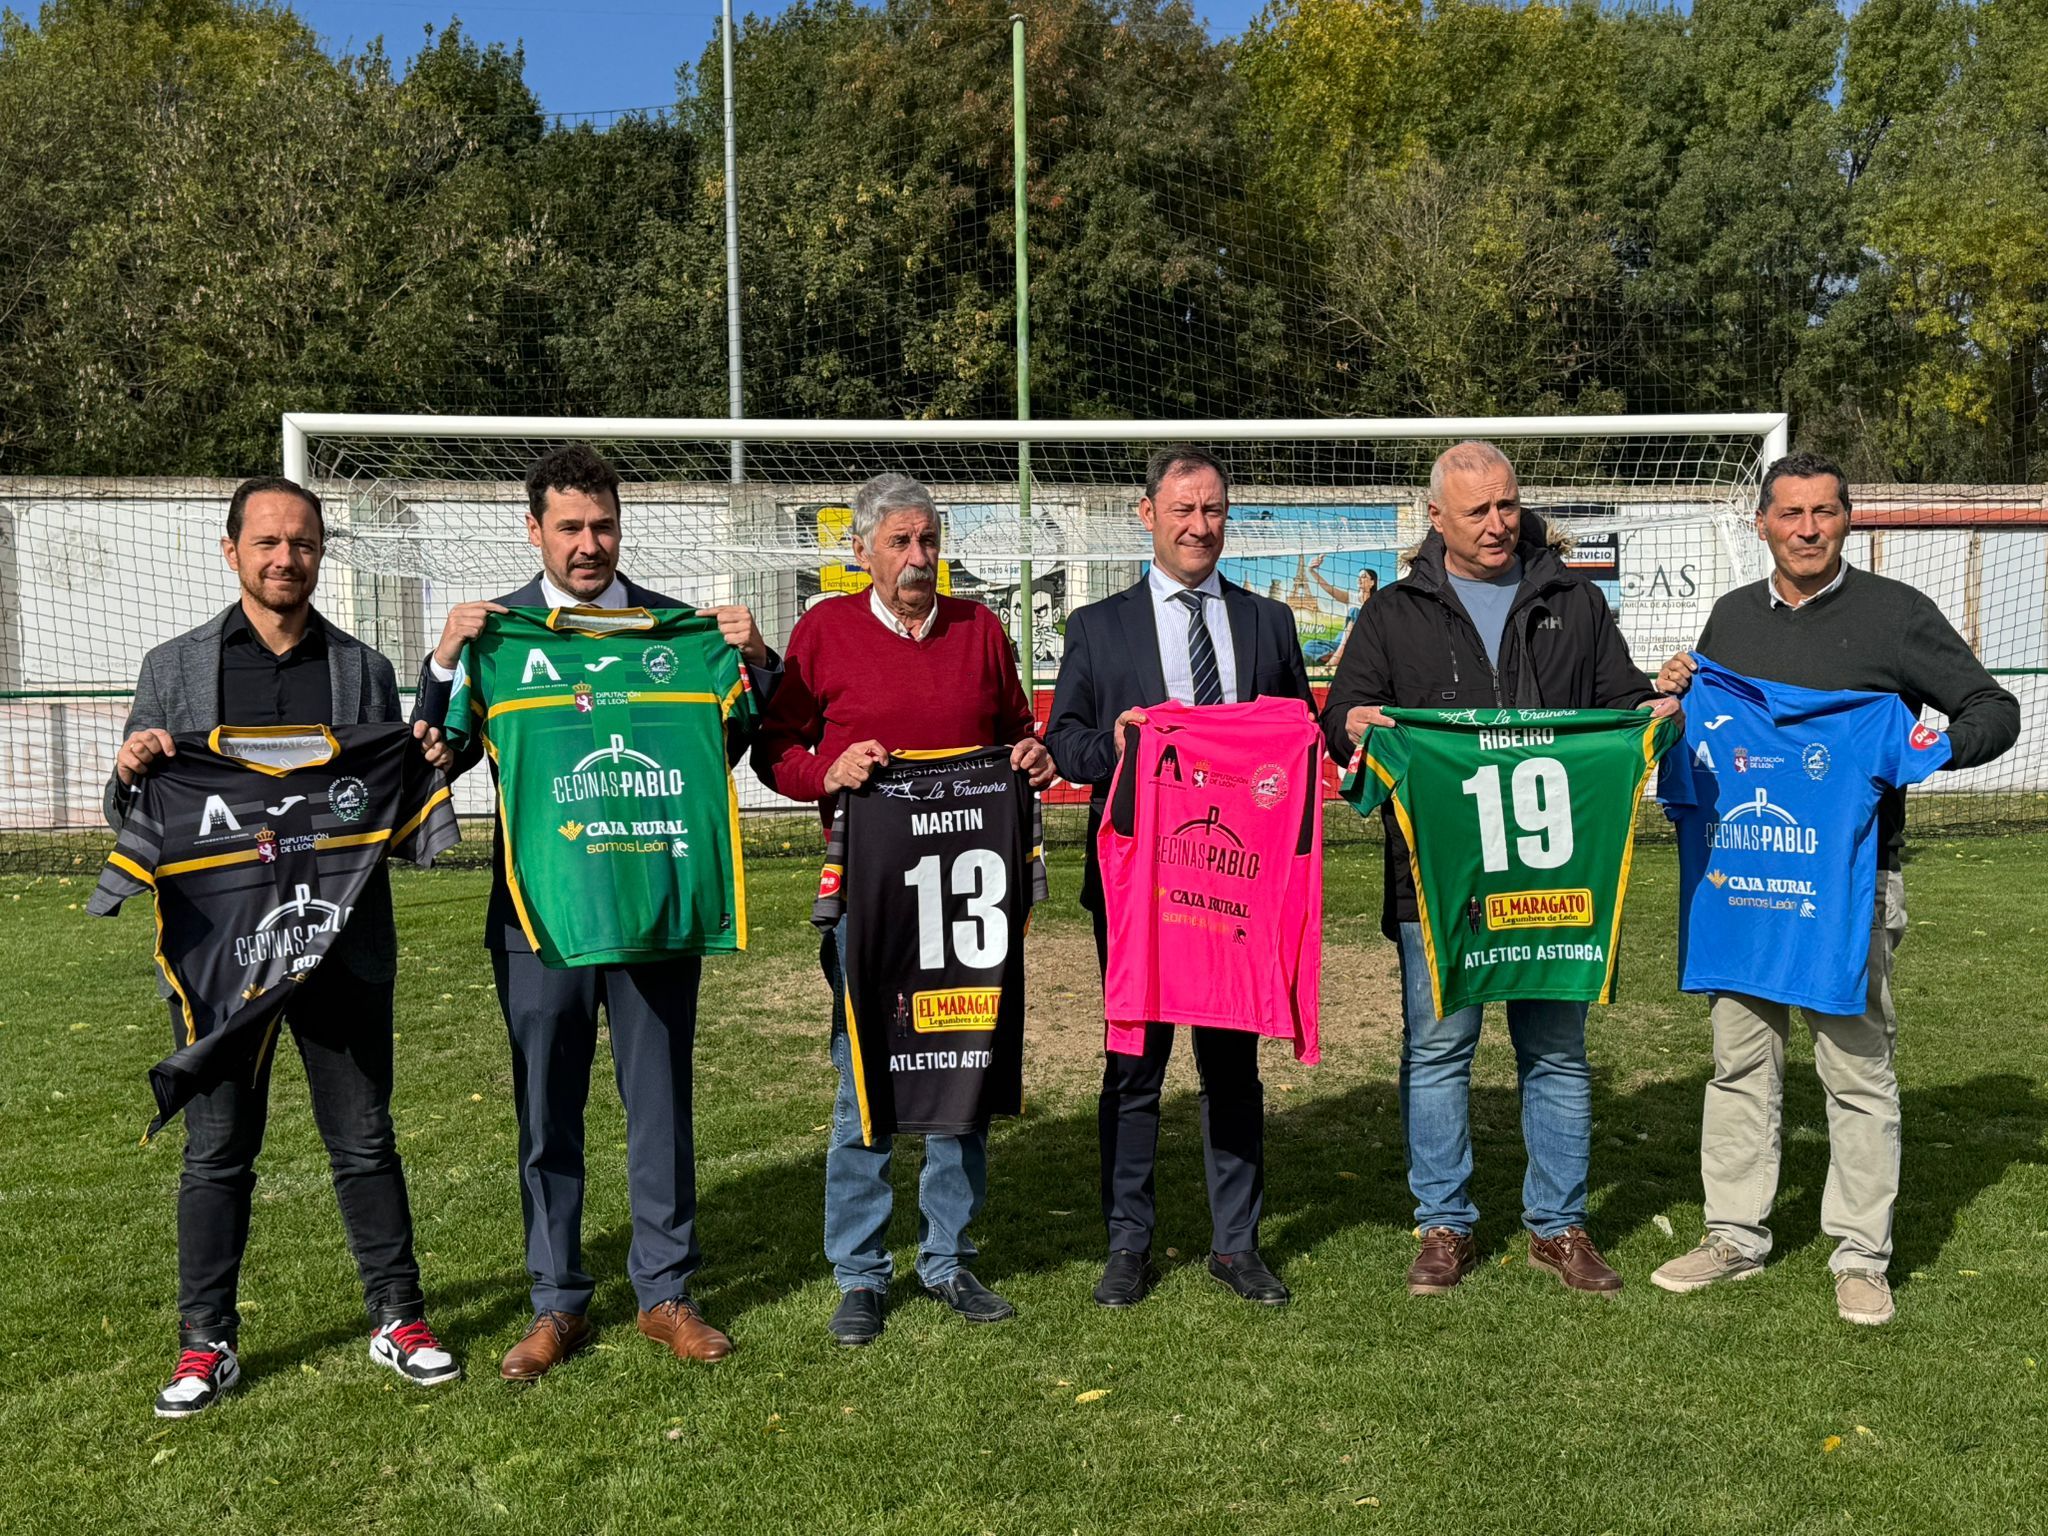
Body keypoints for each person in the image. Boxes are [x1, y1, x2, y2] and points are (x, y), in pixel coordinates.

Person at [411, 443, 779, 1380]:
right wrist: (443, 659)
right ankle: (555, 1302)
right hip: (538, 919)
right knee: (548, 1111)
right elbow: (434, 759)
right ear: (533, 530)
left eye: (603, 525)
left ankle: (665, 1293)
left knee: (660, 1103)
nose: (589, 543)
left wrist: (757, 660)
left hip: (654, 907)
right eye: (570, 527)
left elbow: (739, 742)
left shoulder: (678, 632)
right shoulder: (497, 637)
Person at [108, 476, 458, 1417]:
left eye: (301, 543)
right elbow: (132, 811)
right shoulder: (174, 666)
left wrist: (427, 760)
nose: (284, 559)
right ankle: (203, 1344)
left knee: (365, 1138)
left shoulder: (362, 669)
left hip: (339, 942)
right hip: (223, 957)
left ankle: (401, 1318)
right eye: (266, 542)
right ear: (232, 552)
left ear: (318, 554)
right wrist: (132, 769)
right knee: (217, 1151)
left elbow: (393, 810)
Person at [1648, 450, 2020, 1325]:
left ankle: (1861, 1254)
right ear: (1763, 524)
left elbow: (1992, 709)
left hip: (1853, 887)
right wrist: (1672, 691)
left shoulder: (1898, 616)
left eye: (1823, 512)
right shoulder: (1730, 620)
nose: (1807, 528)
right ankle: (1734, 1235)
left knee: (1856, 1069)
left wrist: (1925, 752)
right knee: (1740, 1063)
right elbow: (1703, 739)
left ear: (1849, 519)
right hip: (1741, 885)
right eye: (1790, 514)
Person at [1319, 439, 1676, 1299]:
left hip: (1555, 878)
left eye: (1508, 504)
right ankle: (1443, 1224)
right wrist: (1356, 724)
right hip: (1437, 877)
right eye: (1476, 510)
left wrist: (1649, 711)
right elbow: (1339, 721)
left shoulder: (1574, 598)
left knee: (1556, 1051)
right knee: (1439, 1052)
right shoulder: (1394, 611)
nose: (1497, 524)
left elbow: (1618, 701)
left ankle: (1559, 1228)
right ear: (1435, 517)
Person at [754, 472, 1055, 1347]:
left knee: (963, 1063)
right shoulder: (823, 633)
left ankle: (949, 1258)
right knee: (866, 1080)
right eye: (900, 543)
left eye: (929, 542)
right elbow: (777, 752)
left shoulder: (979, 629)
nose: (918, 560)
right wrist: (830, 771)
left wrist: (1031, 756)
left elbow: (1011, 733)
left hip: (970, 896)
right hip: (871, 895)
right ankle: (859, 1272)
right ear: (862, 552)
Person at [1045, 445, 1314, 1310]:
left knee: (1232, 1062)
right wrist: (1119, 746)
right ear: (1147, 513)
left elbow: (1298, 739)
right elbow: (1067, 743)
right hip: (1136, 889)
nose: (1201, 527)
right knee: (1134, 1068)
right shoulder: (1097, 626)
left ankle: (1236, 1244)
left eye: (1215, 511)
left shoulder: (1268, 623)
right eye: (1184, 510)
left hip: (1236, 883)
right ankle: (1129, 1243)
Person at [1310, 558, 1378, 669]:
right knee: (1309, 646)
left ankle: (1339, 655)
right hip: (1342, 639)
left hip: (1360, 642)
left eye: (1364, 576)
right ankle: (1343, 654)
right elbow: (1328, 588)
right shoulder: (1350, 597)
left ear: (1372, 582)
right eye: (1358, 577)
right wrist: (1311, 571)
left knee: (1355, 611)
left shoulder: (1376, 603)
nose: (1359, 579)